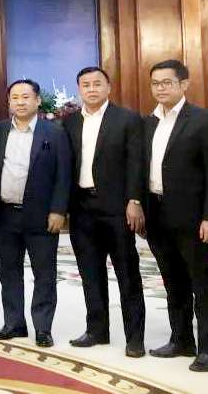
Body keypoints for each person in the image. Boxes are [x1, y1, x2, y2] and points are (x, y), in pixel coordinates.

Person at [144, 59, 208, 372]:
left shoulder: (205, 120)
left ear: (184, 84)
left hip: (193, 218)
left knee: (202, 281)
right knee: (173, 281)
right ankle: (181, 340)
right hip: (157, 213)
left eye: (167, 82)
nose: (160, 88)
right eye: (156, 83)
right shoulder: (149, 122)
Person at [63, 66, 146, 357]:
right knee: (90, 272)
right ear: (79, 89)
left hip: (117, 208)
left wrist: (135, 200)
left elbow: (136, 162)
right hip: (82, 208)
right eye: (85, 84)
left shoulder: (127, 119)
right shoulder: (70, 122)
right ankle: (97, 330)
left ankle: (135, 338)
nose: (91, 89)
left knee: (127, 273)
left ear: (108, 87)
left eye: (97, 83)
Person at [0, 79, 70, 348]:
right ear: (9, 102)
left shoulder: (54, 132)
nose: (20, 102)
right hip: (5, 214)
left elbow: (63, 175)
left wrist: (58, 210)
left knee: (44, 274)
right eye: (15, 97)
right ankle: (14, 324)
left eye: (26, 97)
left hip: (41, 216)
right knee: (8, 272)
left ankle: (43, 328)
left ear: (37, 100)